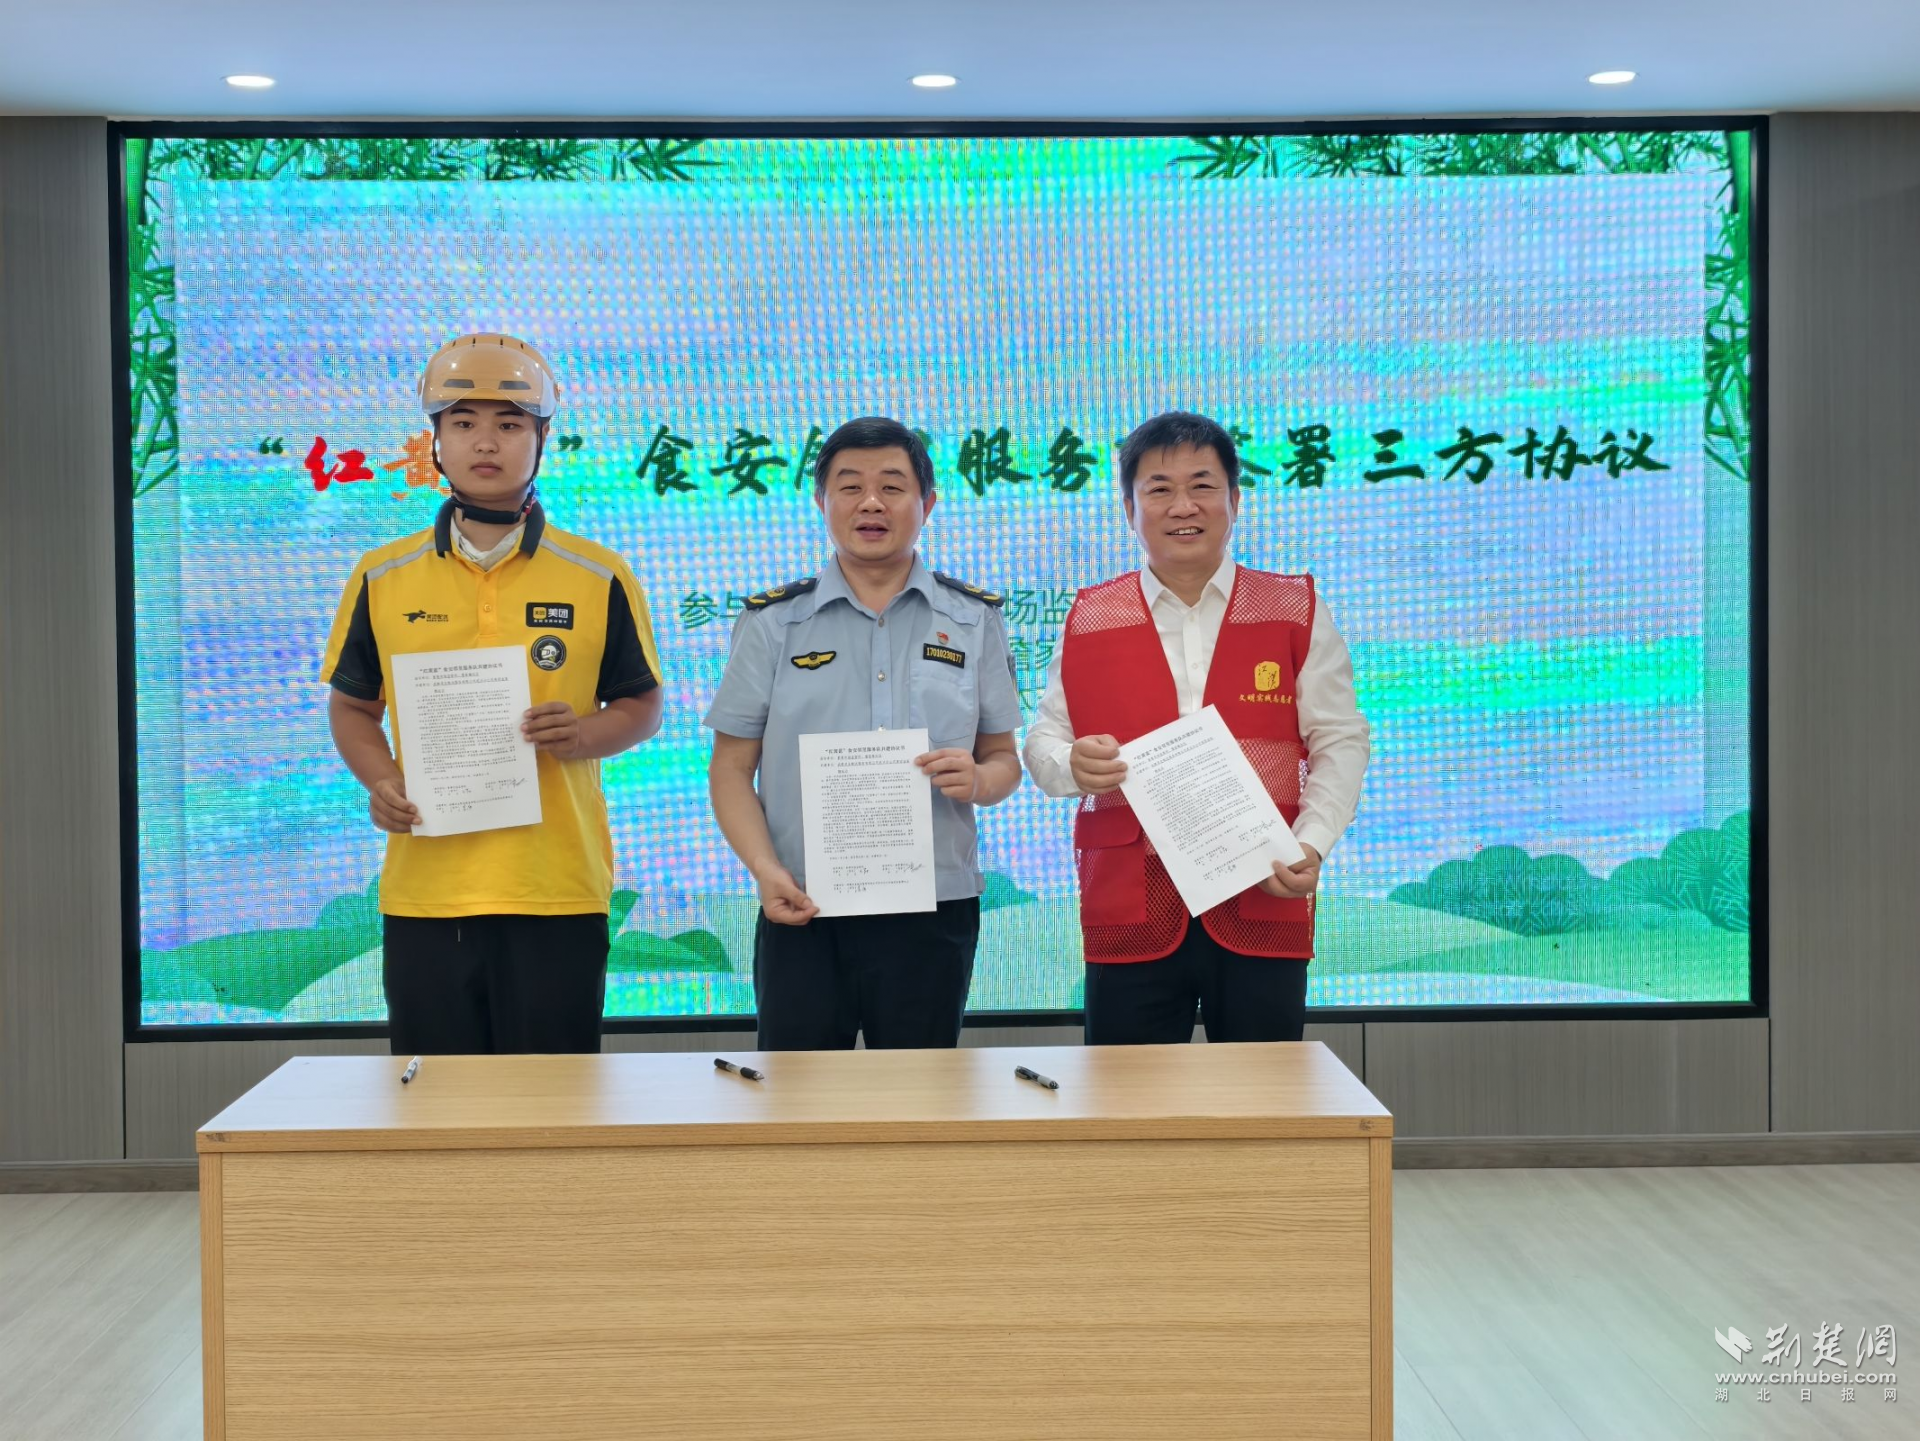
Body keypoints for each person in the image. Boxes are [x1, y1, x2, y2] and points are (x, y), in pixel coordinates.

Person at [321, 332, 664, 1055]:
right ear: (435, 440)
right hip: (426, 893)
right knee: (439, 1103)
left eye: (510, 423)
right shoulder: (382, 575)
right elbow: (352, 708)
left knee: (553, 1103)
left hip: (557, 888)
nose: (485, 442)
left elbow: (642, 707)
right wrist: (382, 781)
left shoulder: (598, 574)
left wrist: (583, 734)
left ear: (542, 439)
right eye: (463, 422)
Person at [1022, 410, 1369, 1044]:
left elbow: (1339, 738)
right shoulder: (1089, 617)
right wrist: (1069, 764)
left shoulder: (1294, 609)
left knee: (1264, 1093)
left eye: (1202, 485)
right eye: (1159, 488)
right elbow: (1044, 740)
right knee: (1129, 1096)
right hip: (1130, 900)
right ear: (1129, 509)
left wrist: (1313, 842)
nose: (1183, 505)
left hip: (1264, 886)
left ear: (1235, 499)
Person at [705, 416, 1023, 1050]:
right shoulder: (774, 623)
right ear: (821, 501)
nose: (871, 502)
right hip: (803, 904)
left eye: (892, 487)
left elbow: (1003, 760)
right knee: (798, 1095)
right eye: (850, 486)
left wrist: (978, 780)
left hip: (933, 908)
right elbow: (730, 769)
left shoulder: (972, 620)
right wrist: (765, 870)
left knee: (920, 1095)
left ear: (927, 503)